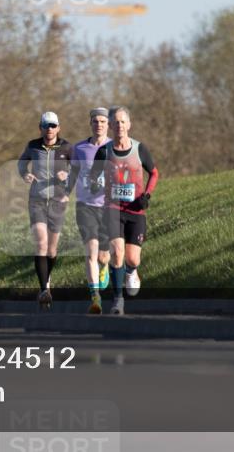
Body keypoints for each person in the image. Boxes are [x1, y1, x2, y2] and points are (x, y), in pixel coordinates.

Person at [89, 106, 159, 315]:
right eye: (115, 122)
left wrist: (146, 195)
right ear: (110, 126)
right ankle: (118, 300)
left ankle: (132, 271)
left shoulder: (140, 149)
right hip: (113, 209)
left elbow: (154, 173)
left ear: (129, 125)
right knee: (117, 254)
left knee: (132, 259)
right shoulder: (104, 151)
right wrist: (95, 184)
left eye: (122, 122)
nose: (119, 125)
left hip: (136, 211)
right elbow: (93, 176)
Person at [17, 111, 73, 310]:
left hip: (58, 201)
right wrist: (25, 174)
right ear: (40, 127)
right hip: (37, 200)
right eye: (45, 125)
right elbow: (22, 162)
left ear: (58, 127)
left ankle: (46, 281)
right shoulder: (33, 145)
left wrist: (66, 180)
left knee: (51, 250)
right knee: (41, 243)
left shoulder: (67, 147)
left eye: (53, 125)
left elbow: (76, 170)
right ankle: (43, 290)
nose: (49, 129)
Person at [67, 108, 112, 314]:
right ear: (90, 124)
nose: (99, 125)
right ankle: (95, 296)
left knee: (103, 257)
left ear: (108, 124)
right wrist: (65, 192)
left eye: (103, 121)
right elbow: (74, 172)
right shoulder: (80, 148)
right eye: (95, 121)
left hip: (107, 206)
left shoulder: (114, 147)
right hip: (85, 205)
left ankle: (104, 269)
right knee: (90, 251)